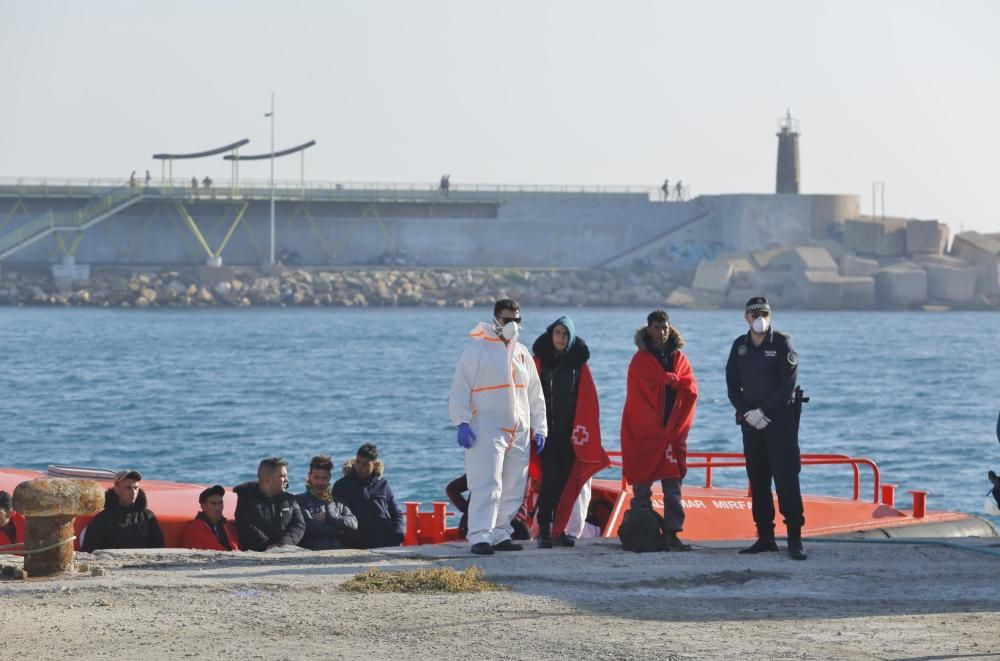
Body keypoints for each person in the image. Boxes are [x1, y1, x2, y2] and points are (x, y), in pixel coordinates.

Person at [449, 298, 547, 555]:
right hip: (487, 427)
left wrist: (540, 427)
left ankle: (501, 532)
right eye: (507, 320)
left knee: (514, 483)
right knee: (486, 482)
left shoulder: (523, 354)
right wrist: (461, 421)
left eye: (517, 320)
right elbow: (460, 387)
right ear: (495, 320)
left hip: (520, 429)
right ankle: (480, 536)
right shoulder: (477, 351)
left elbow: (535, 394)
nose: (513, 324)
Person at [726, 296, 807, 560]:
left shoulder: (782, 343)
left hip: (779, 421)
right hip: (751, 423)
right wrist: (748, 413)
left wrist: (764, 411)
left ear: (770, 316)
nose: (759, 318)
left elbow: (789, 384)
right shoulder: (740, 346)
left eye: (764, 314)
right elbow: (732, 385)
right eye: (754, 314)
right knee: (758, 480)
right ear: (746, 317)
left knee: (786, 478)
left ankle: (795, 539)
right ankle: (765, 537)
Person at [620, 309, 698, 551]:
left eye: (665, 327)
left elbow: (691, 387)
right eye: (657, 327)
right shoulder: (640, 361)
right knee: (642, 488)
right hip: (646, 432)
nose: (662, 331)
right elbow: (636, 399)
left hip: (673, 432)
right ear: (649, 329)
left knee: (673, 488)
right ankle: (643, 534)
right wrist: (653, 427)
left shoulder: (680, 359)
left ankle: (673, 535)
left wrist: (675, 382)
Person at [531, 315, 610, 548]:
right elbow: (527, 397)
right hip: (546, 435)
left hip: (570, 437)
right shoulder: (539, 363)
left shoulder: (579, 367)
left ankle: (559, 530)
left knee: (567, 484)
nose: (561, 338)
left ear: (571, 337)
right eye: (557, 333)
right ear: (550, 334)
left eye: (565, 334)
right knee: (549, 482)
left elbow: (589, 403)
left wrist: (584, 436)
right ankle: (544, 530)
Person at [332, 444, 405, 548]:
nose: (360, 467)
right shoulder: (342, 486)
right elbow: (334, 514)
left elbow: (396, 512)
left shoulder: (383, 484)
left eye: (365, 464)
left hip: (386, 541)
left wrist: (398, 533)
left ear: (374, 465)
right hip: (357, 544)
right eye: (358, 462)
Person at [81, 470, 165, 552]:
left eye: (136, 488)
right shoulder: (102, 519)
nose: (133, 492)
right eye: (128, 488)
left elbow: (159, 548)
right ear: (117, 489)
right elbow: (89, 550)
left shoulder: (148, 517)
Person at [233, 457, 306, 551]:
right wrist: (268, 546)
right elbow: (247, 527)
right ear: (267, 479)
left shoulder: (290, 499)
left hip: (286, 549)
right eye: (282, 476)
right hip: (257, 553)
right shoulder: (246, 499)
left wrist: (282, 545)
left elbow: (299, 525)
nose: (286, 480)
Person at [445, 473, 532, 541]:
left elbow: (451, 489)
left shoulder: (523, 470)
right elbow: (451, 489)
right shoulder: (484, 470)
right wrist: (468, 510)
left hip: (514, 524)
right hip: (477, 524)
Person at [296, 455, 358, 550]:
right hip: (313, 553)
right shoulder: (301, 500)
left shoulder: (338, 502)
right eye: (316, 477)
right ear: (309, 476)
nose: (320, 482)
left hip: (339, 552)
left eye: (324, 478)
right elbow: (310, 528)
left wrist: (332, 517)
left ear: (329, 478)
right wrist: (341, 530)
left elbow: (353, 523)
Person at [179, 485, 240, 551]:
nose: (218, 508)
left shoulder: (227, 526)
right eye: (213, 504)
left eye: (220, 503)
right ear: (203, 507)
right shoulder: (194, 529)